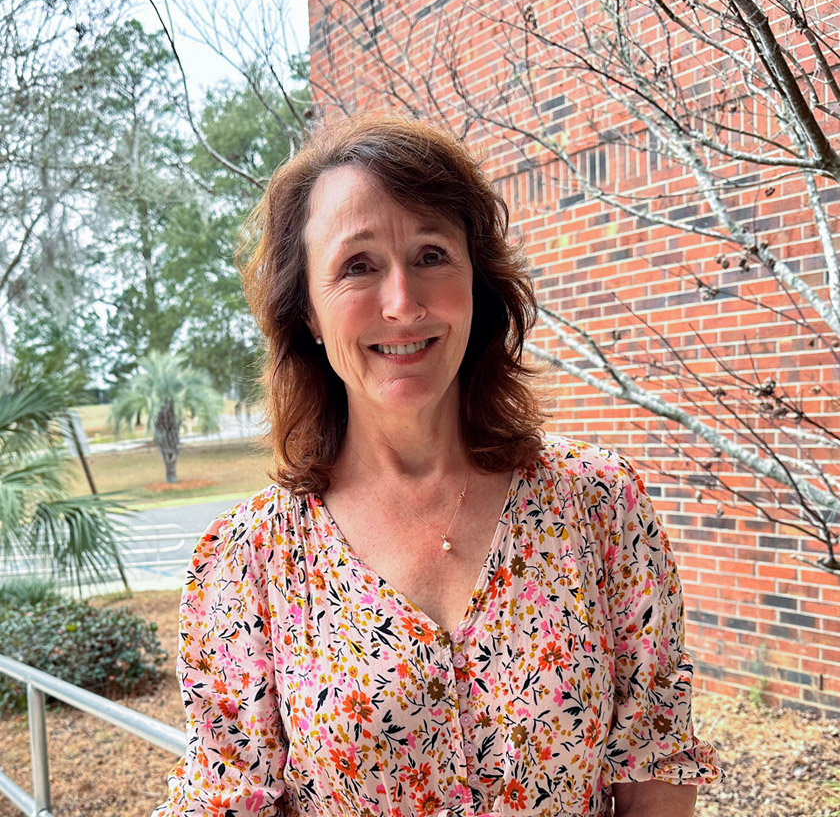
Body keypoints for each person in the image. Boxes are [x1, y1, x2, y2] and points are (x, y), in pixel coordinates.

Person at [154, 114, 720, 817]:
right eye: (358, 266)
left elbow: (655, 775)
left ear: (476, 284)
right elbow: (228, 800)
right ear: (305, 309)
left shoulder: (601, 508)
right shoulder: (248, 566)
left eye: (430, 254)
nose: (403, 303)